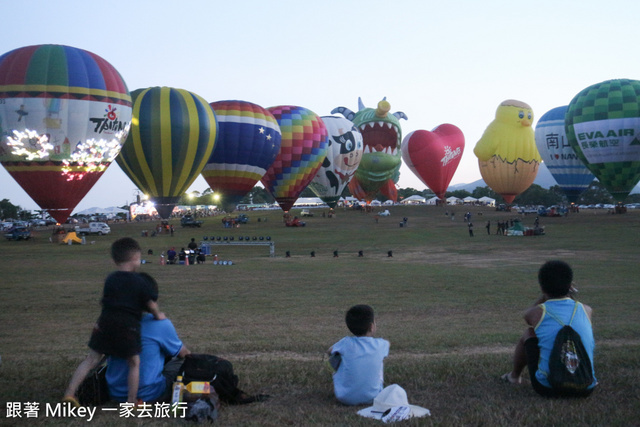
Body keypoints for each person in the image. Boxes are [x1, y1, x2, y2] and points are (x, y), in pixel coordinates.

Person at [63, 238, 166, 406]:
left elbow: (105, 301)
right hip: (127, 325)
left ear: (115, 259)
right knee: (134, 362)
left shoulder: (110, 278)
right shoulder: (139, 281)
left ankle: (70, 393)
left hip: (104, 322)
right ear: (135, 258)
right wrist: (158, 315)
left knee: (91, 360)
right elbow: (150, 304)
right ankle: (132, 401)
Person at [501, 260, 597, 397]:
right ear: (570, 285)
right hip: (586, 387)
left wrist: (543, 296)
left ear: (542, 287)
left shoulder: (537, 313)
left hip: (548, 388)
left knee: (529, 333)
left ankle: (514, 376)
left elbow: (528, 315)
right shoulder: (587, 310)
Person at [328, 304, 390, 405]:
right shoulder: (381, 344)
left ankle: (346, 385)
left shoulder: (346, 343)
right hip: (374, 397)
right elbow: (388, 344)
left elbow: (330, 351)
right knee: (379, 359)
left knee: (335, 358)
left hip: (344, 397)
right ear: (371, 327)